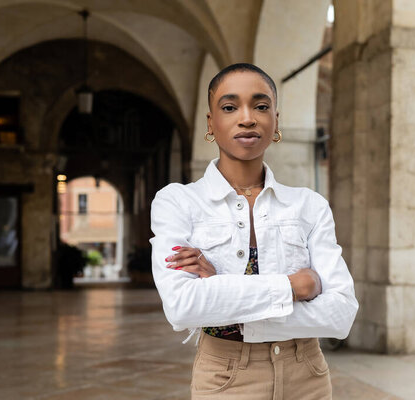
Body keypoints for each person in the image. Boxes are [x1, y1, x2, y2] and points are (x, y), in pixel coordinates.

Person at [149, 63, 358, 399]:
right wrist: (295, 286)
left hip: (308, 373)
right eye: (230, 107)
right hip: (226, 376)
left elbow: (340, 315)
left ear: (276, 121)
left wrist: (222, 292)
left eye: (261, 106)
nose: (247, 118)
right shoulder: (179, 202)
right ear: (210, 123)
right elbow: (183, 307)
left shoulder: (309, 206)